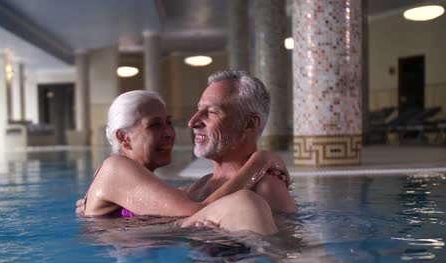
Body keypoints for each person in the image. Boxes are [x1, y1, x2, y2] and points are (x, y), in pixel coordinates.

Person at [76, 90, 287, 235]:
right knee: (245, 203)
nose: (169, 133)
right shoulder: (116, 167)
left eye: (168, 122)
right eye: (155, 125)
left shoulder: (122, 174)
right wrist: (260, 161)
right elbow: (195, 210)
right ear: (123, 137)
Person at [185, 70, 297, 213]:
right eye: (199, 109)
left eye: (212, 112)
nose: (192, 122)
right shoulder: (201, 185)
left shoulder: (267, 188)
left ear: (249, 124)